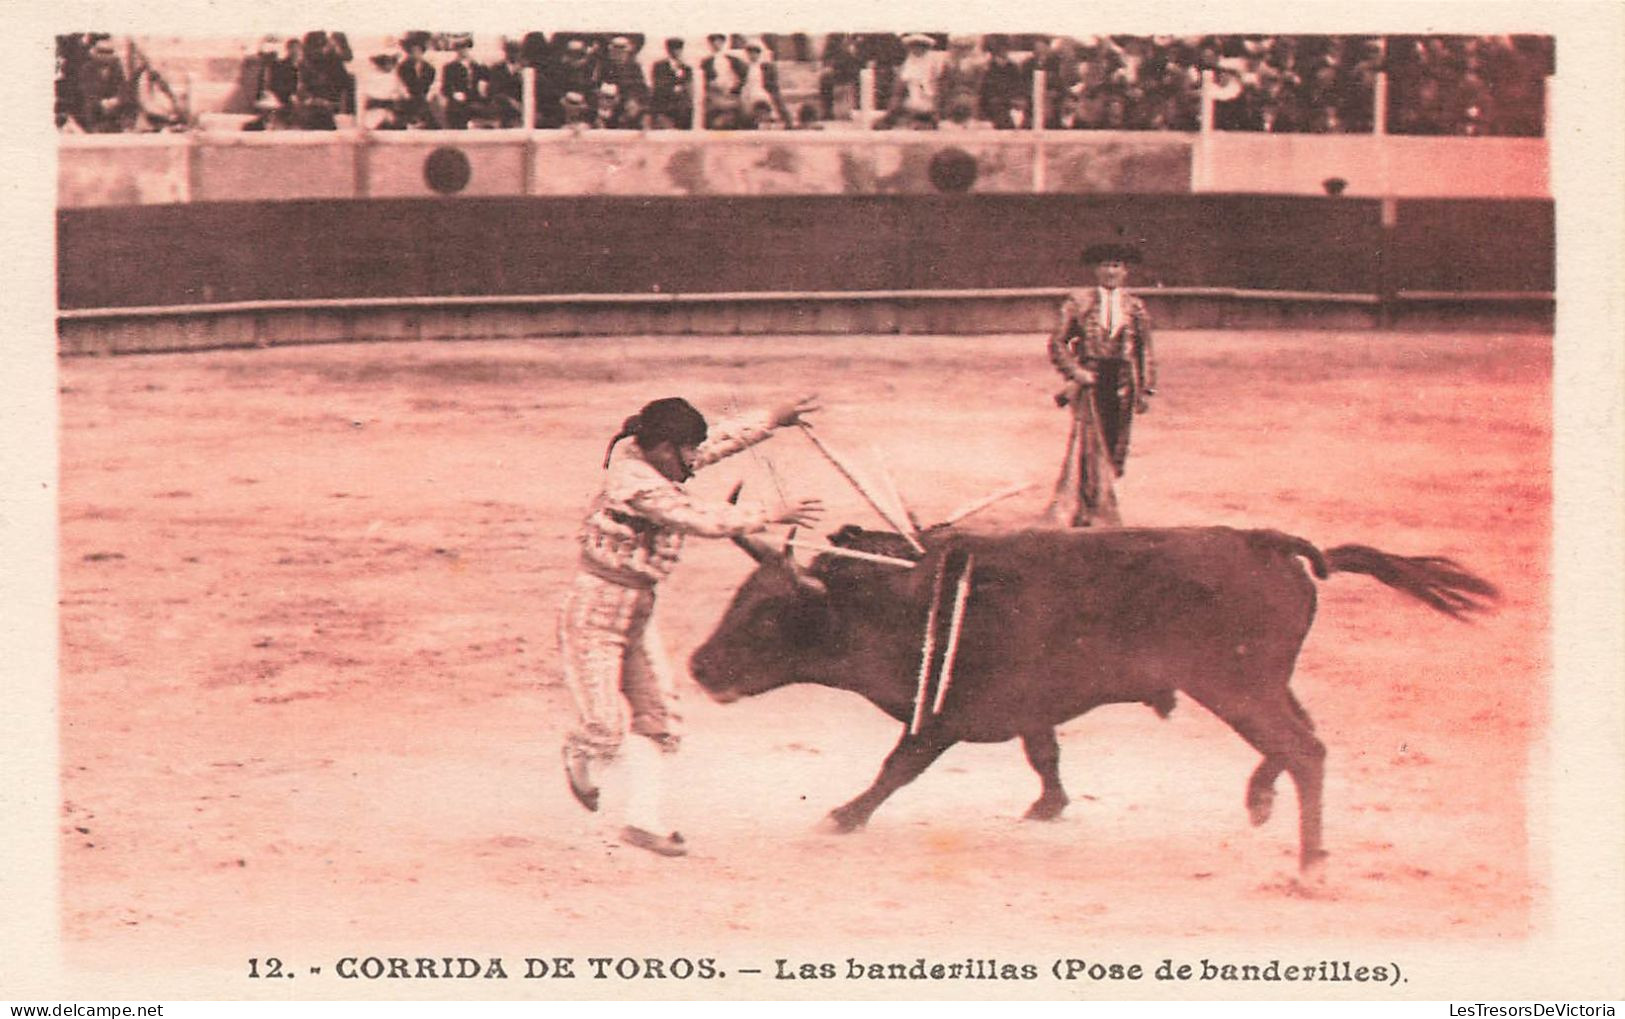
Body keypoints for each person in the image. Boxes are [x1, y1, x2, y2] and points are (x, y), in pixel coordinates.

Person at [559, 396, 825, 857]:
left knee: (660, 721)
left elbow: (713, 443)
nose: (693, 461)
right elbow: (695, 518)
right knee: (603, 730)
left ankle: (643, 823)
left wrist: (770, 419)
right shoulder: (635, 483)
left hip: (638, 609)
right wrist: (767, 514)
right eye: (685, 452)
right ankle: (579, 752)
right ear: (663, 448)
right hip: (594, 612)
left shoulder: (649, 454)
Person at [1048, 242, 1157, 479]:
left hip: (1123, 381)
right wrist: (1076, 373)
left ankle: (1106, 500)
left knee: (1117, 442)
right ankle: (1090, 502)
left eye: (1116, 266)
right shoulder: (1079, 303)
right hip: (1091, 378)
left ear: (1125, 271)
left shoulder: (1135, 307)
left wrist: (1146, 389)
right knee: (1089, 443)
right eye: (1105, 266)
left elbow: (1144, 349)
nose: (1111, 272)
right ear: (1096, 270)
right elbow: (1057, 343)